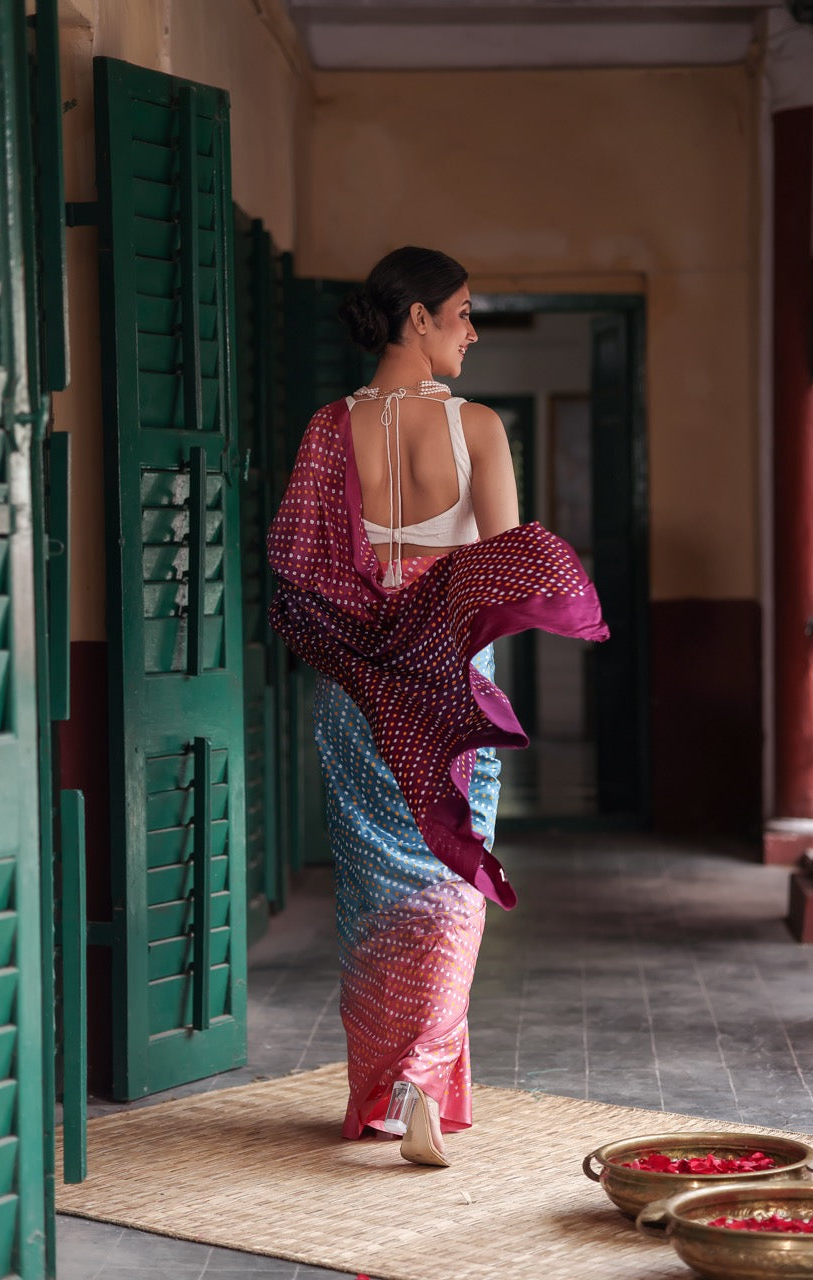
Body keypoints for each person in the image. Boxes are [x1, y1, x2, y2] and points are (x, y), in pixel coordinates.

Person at [267, 247, 608, 1169]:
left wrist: (376, 609)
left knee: (375, 892)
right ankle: (421, 1075)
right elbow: (505, 561)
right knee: (452, 877)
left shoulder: (325, 431)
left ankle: (386, 1093)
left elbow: (296, 572)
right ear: (415, 318)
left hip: (356, 690)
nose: (470, 329)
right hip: (445, 689)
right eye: (459, 312)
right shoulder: (479, 430)